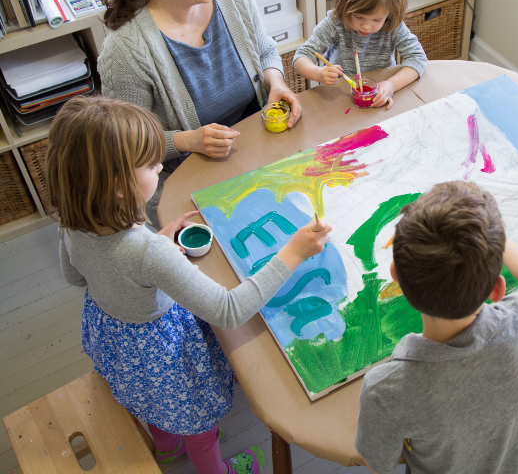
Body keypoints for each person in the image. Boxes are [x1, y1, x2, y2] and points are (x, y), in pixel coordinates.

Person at [47, 96, 331, 474]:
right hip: (164, 352)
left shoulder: (72, 221)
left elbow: (76, 276)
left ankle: (165, 450)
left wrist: (150, 252)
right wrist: (293, 252)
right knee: (198, 425)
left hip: (116, 340)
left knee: (152, 404)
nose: (160, 165)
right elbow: (229, 311)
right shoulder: (148, 252)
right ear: (118, 186)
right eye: (150, 164)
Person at [98, 0, 302, 223]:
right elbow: (128, 145)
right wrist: (188, 140)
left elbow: (264, 50)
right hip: (186, 181)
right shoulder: (126, 50)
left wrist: (275, 82)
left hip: (256, 151)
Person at [355, 181, 518, 474]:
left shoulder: (384, 389)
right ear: (497, 290)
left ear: (395, 276)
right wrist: (487, 237)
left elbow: (377, 464)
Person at [292, 0, 427, 109]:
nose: (366, 26)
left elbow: (418, 58)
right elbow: (300, 57)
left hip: (378, 98)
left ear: (390, 11)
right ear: (345, 3)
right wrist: (318, 73)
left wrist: (391, 85)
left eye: (377, 20)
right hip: (340, 100)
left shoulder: (392, 24)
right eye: (359, 16)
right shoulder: (337, 21)